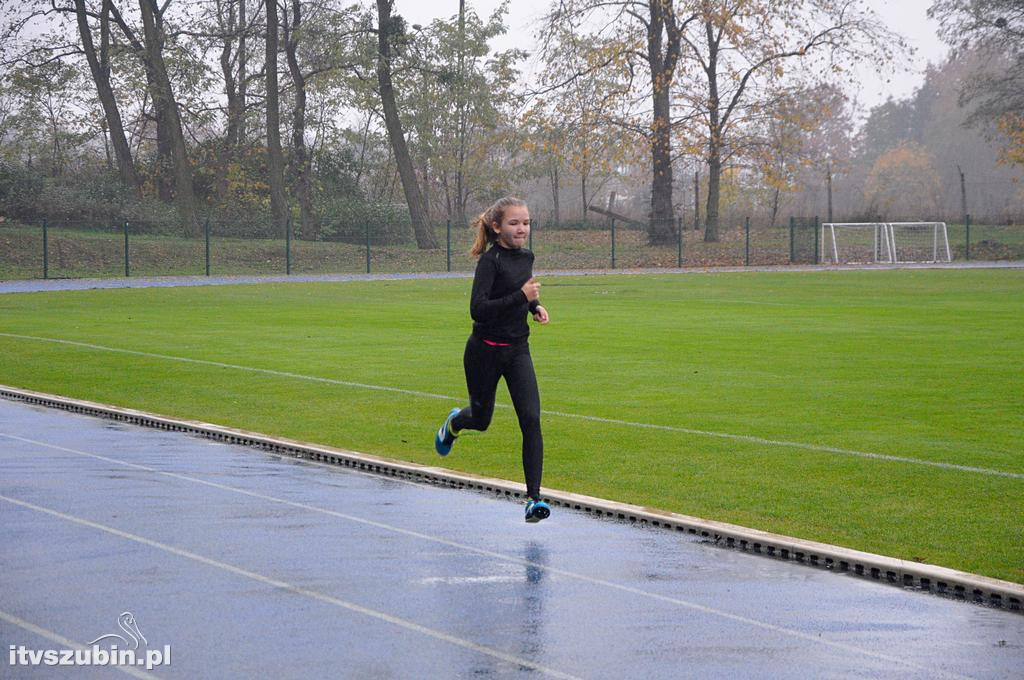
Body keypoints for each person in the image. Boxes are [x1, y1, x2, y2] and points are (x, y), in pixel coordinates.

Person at [434, 196, 551, 523]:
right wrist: (522, 298)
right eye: (514, 223)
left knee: (531, 419)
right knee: (482, 420)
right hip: (484, 351)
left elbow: (521, 289)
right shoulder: (489, 261)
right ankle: (455, 423)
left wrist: (534, 306)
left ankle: (533, 499)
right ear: (497, 227)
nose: (522, 229)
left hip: (517, 350)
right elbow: (479, 308)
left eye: (526, 222)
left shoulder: (527, 257)